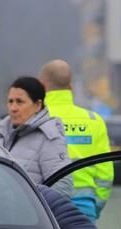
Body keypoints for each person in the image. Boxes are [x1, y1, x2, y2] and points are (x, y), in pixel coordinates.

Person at [39, 59, 114, 220]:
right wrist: (96, 204)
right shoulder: (94, 120)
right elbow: (105, 173)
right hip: (84, 208)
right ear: (70, 87)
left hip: (45, 207)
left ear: (42, 86)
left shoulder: (36, 118)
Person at [0, 76, 69, 184]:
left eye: (19, 102)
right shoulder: (0, 134)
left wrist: (30, 200)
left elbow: (62, 187)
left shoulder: (49, 138)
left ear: (37, 105)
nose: (13, 108)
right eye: (10, 101)